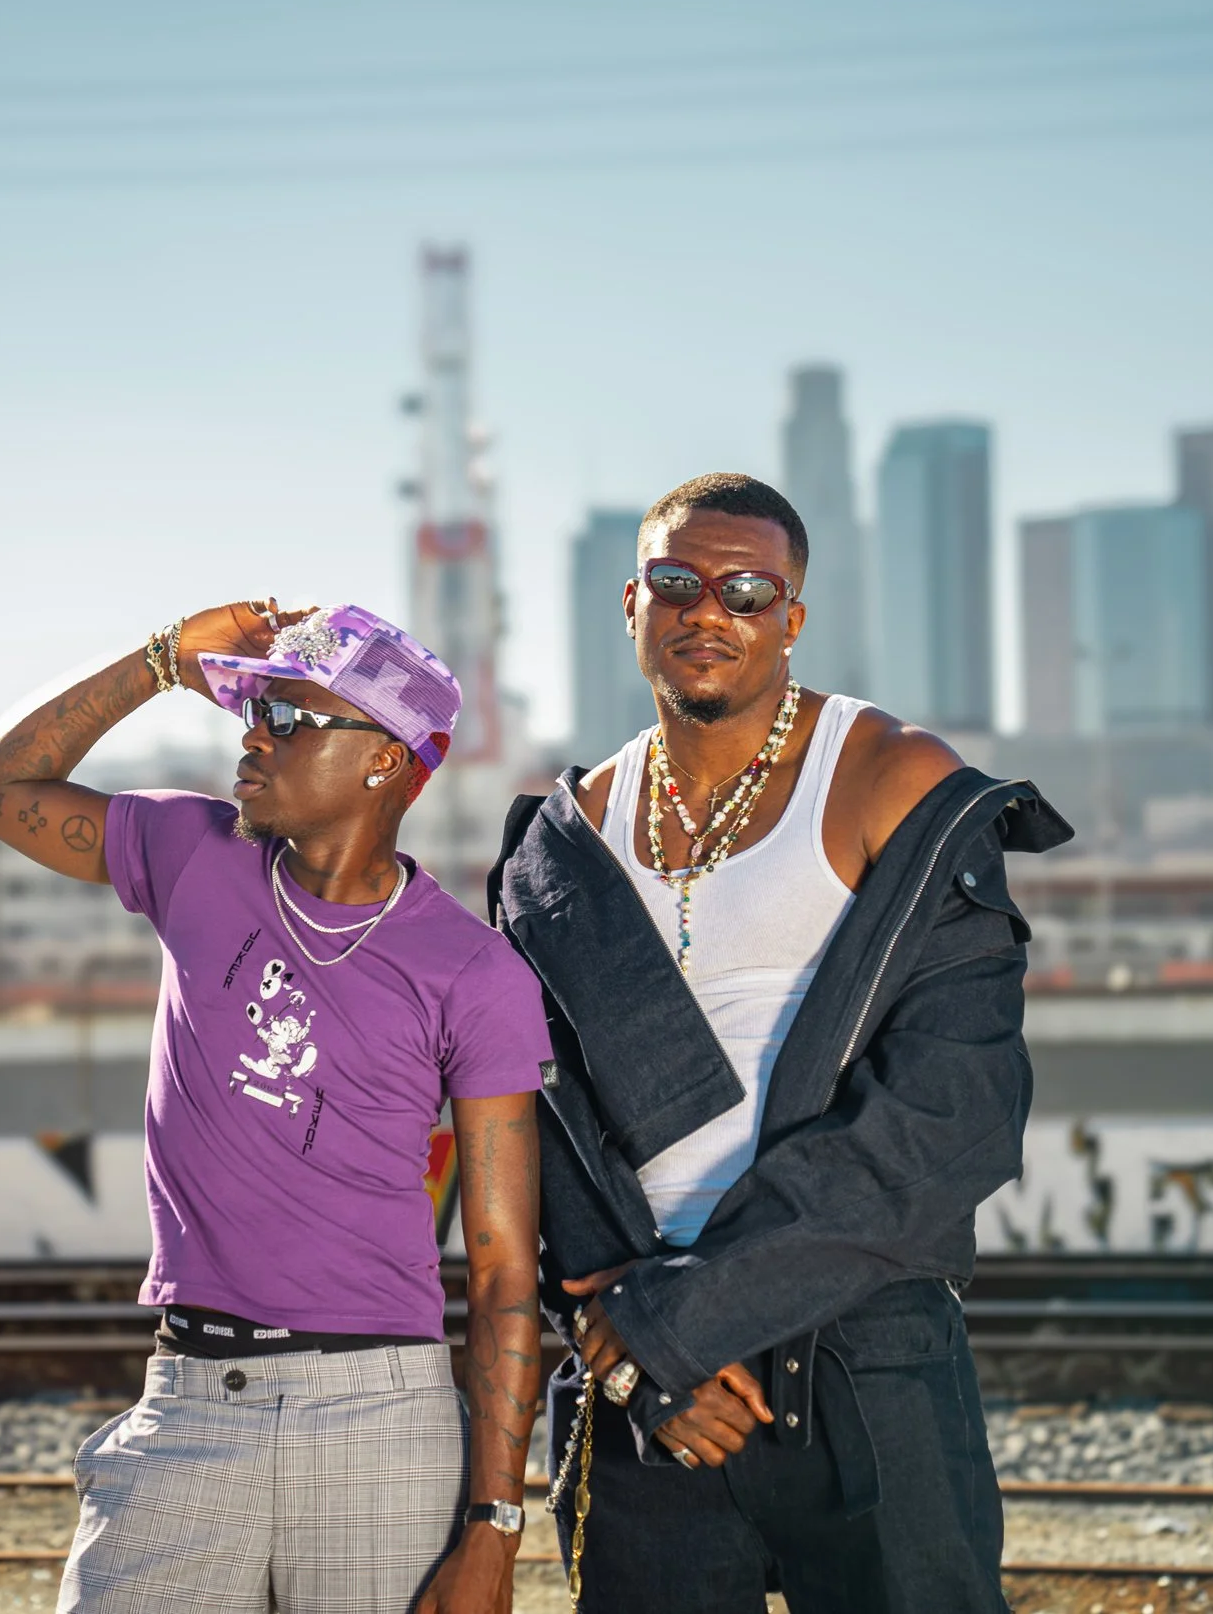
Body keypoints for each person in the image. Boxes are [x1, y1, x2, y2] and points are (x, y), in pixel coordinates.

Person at [489, 474, 1073, 1612]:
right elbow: (535, 1120)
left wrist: (677, 1321)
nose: (711, 610)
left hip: (859, 1354)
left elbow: (954, 1115)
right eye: (678, 582)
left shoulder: (890, 780)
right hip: (647, 1386)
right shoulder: (561, 843)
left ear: (791, 617)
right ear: (632, 604)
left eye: (748, 590)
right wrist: (630, 1340)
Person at [0, 601, 549, 1614]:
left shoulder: (473, 972)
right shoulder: (192, 854)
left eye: (289, 718)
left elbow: (503, 1274)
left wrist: (494, 1528)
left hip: (380, 1417)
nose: (253, 738)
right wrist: (155, 663)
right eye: (252, 712)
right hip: (190, 1400)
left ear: (383, 760)